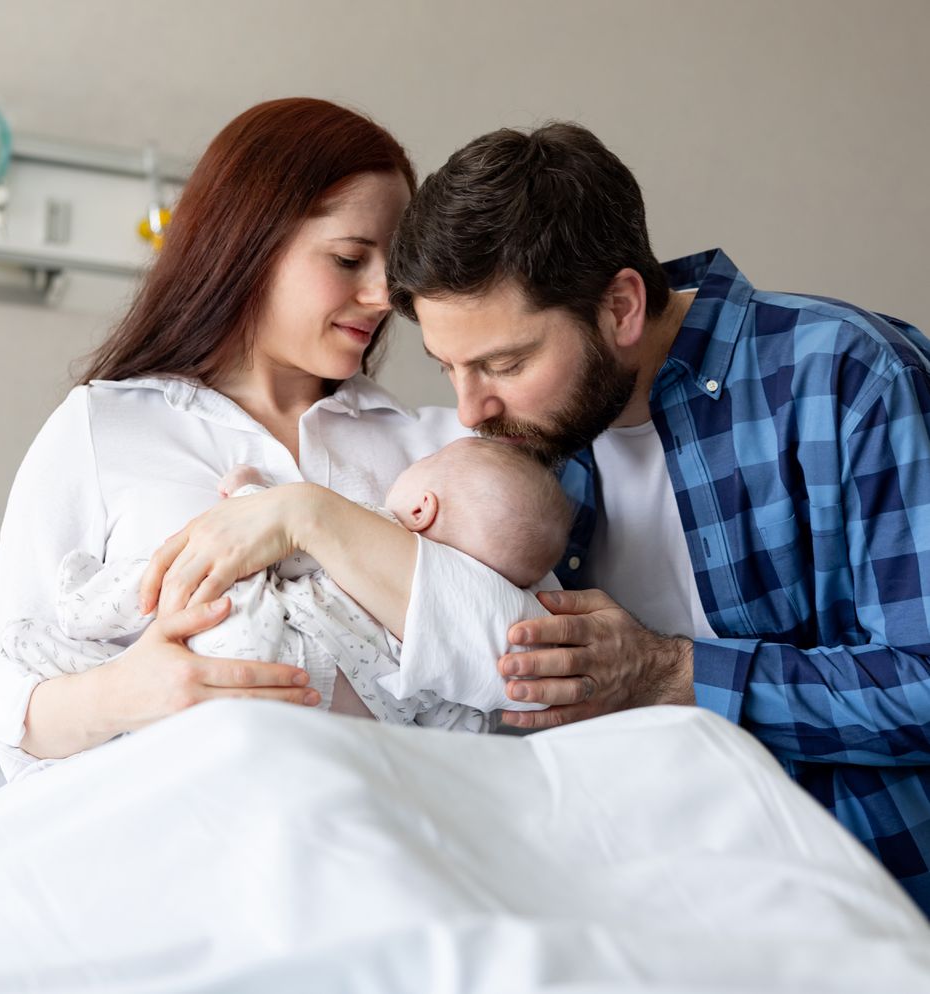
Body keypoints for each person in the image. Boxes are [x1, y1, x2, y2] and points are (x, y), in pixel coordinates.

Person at [142, 121, 930, 914]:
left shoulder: (844, 381)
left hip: (854, 891)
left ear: (621, 306)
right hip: (631, 891)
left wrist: (671, 672)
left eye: (505, 364)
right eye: (449, 367)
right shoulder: (514, 447)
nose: (470, 409)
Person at [0, 98, 531, 781]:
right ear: (250, 244)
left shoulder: (438, 453)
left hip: (391, 816)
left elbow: (522, 664)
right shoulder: (102, 430)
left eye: (394, 264)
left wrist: (313, 518)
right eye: (351, 258)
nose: (385, 296)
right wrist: (129, 693)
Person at [0, 436, 569, 754]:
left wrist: (254, 495)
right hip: (323, 715)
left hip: (260, 635)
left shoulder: (377, 527)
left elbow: (278, 544)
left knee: (203, 566)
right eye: (347, 259)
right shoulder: (100, 427)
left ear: (423, 508)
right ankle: (96, 661)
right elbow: (465, 733)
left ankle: (84, 606)